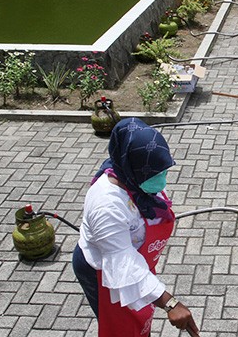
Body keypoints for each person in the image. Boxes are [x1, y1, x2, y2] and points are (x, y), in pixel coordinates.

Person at [72, 118, 201, 337]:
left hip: (134, 262)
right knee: (122, 329)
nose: (161, 179)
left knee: (140, 320)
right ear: (133, 167)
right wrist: (170, 303)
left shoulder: (135, 180)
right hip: (105, 271)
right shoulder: (107, 205)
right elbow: (123, 265)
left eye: (163, 171)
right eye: (155, 173)